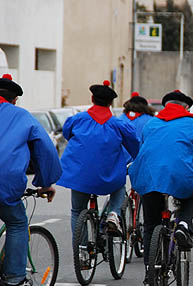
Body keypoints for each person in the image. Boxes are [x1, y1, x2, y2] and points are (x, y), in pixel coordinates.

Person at [128, 90, 193, 286]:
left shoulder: (151, 124)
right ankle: (184, 224)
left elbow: (143, 150)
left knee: (151, 224)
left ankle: (150, 271)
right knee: (192, 194)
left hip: (149, 177)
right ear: (186, 107)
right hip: (181, 177)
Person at [0, 74, 61, 286]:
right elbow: (45, 150)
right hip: (4, 186)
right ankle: (14, 277)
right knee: (17, 222)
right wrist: (44, 183)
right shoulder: (21, 117)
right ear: (14, 100)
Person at [57, 80, 140, 238]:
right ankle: (113, 214)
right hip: (108, 177)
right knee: (120, 186)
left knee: (77, 211)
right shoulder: (119, 125)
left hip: (80, 175)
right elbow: (134, 146)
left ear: (92, 99)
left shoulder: (77, 120)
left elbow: (67, 134)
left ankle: (81, 250)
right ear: (110, 103)